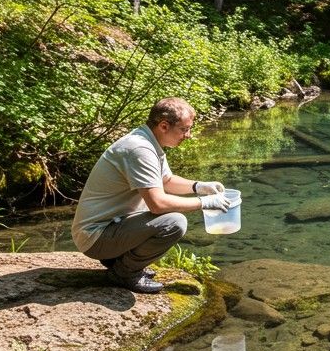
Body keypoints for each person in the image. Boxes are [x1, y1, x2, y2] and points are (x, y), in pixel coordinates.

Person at [72, 97, 232, 293]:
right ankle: (124, 273)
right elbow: (158, 204)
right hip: (96, 237)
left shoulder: (148, 141)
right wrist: (204, 202)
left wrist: (199, 186)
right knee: (174, 223)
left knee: (164, 217)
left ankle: (119, 262)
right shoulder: (140, 149)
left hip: (111, 226)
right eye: (184, 129)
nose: (188, 135)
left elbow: (166, 180)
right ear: (164, 126)